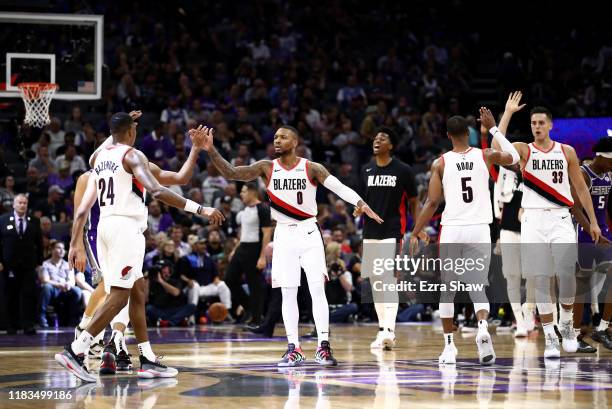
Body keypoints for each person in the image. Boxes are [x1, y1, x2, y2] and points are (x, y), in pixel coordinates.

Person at [192, 124, 383, 367]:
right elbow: (232, 173)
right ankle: (294, 347)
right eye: (275, 137)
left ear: (295, 142)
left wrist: (360, 202)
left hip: (309, 231)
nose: (277, 140)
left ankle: (323, 346)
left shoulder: (312, 167)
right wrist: (211, 150)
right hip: (283, 235)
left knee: (317, 290)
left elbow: (338, 187)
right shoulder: (266, 167)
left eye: (283, 137)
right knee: (288, 292)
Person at [56, 112, 224, 383]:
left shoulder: (100, 160)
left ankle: (146, 358)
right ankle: (77, 349)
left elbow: (82, 210)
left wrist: (194, 150)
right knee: (120, 295)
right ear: (132, 133)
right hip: (125, 229)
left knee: (137, 290)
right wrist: (201, 209)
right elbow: (157, 191)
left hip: (106, 229)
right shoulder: (133, 157)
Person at [491, 94, 600, 359]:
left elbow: (581, 190)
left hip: (561, 217)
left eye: (541, 122)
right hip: (532, 220)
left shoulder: (566, 151)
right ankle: (551, 335)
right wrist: (506, 114)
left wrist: (593, 221)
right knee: (540, 279)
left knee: (565, 274)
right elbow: (496, 151)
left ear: (550, 125)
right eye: (533, 123)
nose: (537, 127)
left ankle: (567, 325)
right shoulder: (523, 150)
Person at [410, 109, 520, 365]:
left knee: (448, 289)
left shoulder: (441, 163)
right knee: (476, 286)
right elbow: (515, 157)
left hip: (453, 229)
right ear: (467, 134)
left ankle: (449, 347)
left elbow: (432, 202)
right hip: (480, 228)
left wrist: (416, 230)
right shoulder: (486, 155)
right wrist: (493, 129)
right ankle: (482, 328)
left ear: (448, 135)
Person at [356, 126, 420, 350]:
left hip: (393, 231)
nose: (377, 140)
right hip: (370, 232)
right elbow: (361, 200)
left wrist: (418, 228)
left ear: (391, 145)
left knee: (388, 280)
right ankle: (382, 329)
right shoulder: (366, 170)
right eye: (375, 138)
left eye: (382, 138)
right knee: (375, 283)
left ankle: (389, 331)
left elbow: (413, 202)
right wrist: (358, 208)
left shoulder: (403, 170)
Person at [571, 137, 612, 351]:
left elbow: (605, 208)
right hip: (584, 233)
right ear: (601, 157)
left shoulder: (608, 174)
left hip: (603, 232)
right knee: (583, 286)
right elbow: (575, 209)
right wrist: (592, 230)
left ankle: (603, 329)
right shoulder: (583, 175)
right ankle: (576, 335)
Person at [225, 182, 273, 325]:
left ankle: (257, 319)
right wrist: (235, 249)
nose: (241, 194)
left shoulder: (263, 209)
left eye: (244, 191)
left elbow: (267, 234)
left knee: (254, 285)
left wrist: (263, 256)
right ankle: (250, 308)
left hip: (255, 249)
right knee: (229, 279)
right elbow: (244, 233)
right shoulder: (244, 210)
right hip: (242, 248)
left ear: (253, 192)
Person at [0, 194, 44, 335]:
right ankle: (11, 325)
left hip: (28, 265)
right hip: (8, 265)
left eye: (25, 203)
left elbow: (39, 244)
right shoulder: (3, 220)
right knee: (10, 295)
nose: (22, 205)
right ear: (13, 204)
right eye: (19, 202)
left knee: (28, 295)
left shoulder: (34, 221)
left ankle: (28, 325)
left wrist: (39, 263)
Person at [179, 237, 231, 310]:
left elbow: (215, 275)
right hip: (192, 287)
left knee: (222, 285)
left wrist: (216, 279)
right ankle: (191, 313)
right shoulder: (187, 258)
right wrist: (188, 281)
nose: (204, 246)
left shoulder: (209, 259)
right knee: (195, 286)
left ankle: (226, 311)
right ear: (195, 245)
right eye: (201, 244)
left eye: (205, 244)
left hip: (207, 287)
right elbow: (182, 275)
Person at [40, 241, 82, 326]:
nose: (62, 250)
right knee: (46, 287)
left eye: (63, 248)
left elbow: (72, 281)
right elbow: (45, 280)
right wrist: (59, 285)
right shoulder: (45, 264)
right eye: (59, 248)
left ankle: (73, 320)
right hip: (53, 290)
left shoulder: (68, 264)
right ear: (51, 250)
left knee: (77, 290)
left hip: (65, 290)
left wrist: (68, 285)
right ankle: (42, 318)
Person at [145, 259, 195, 327]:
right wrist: (148, 280)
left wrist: (161, 281)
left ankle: (169, 322)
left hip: (176, 309)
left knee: (192, 307)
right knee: (149, 308)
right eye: (160, 268)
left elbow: (176, 293)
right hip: (161, 310)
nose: (161, 270)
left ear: (170, 270)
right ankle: (175, 321)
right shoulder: (153, 283)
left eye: (164, 267)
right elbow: (145, 300)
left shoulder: (176, 281)